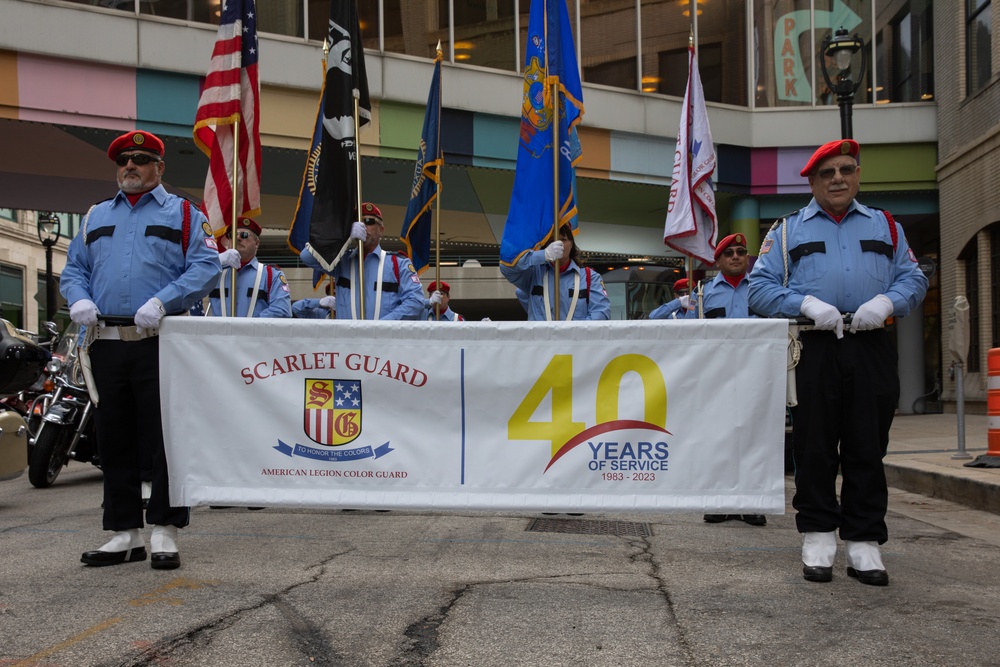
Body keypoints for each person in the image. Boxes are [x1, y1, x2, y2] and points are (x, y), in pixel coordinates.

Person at [748, 139, 927, 586]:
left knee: (868, 444)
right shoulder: (787, 230)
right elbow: (758, 289)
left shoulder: (887, 226)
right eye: (827, 173)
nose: (838, 179)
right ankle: (818, 533)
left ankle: (865, 541)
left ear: (858, 175)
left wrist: (889, 300)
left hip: (870, 343)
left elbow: (914, 276)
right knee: (814, 443)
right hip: (815, 345)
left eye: (846, 169)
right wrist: (805, 303)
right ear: (811, 181)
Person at [60, 130, 221, 570]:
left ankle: (165, 529)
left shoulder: (184, 214)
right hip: (107, 343)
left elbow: (207, 267)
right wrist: (77, 297)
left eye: (140, 158)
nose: (130, 166)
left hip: (160, 341)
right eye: (124, 160)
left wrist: (163, 301)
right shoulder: (94, 216)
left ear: (159, 167)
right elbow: (75, 267)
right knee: (114, 439)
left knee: (164, 438)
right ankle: (125, 533)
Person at [696, 233, 766, 527]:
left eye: (741, 252)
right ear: (719, 260)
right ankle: (719, 500)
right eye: (729, 253)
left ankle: (751, 502)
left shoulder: (763, 290)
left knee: (754, 438)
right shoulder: (705, 294)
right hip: (719, 375)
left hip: (757, 372)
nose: (736, 257)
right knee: (718, 437)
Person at [299, 203, 424, 320]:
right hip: (348, 340)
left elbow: (415, 301)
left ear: (381, 230)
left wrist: (384, 325)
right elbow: (306, 256)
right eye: (357, 222)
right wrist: (342, 236)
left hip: (382, 338)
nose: (363, 226)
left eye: (369, 221)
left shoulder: (398, 264)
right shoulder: (342, 261)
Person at [500, 224, 611, 321]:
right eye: (552, 241)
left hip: (574, 342)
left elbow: (601, 314)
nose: (558, 245)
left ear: (571, 243)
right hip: (542, 343)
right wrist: (543, 255)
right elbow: (507, 268)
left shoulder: (590, 277)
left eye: (563, 239)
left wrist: (573, 334)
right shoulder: (534, 273)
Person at [206, 217, 292, 319]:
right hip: (220, 334)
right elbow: (191, 285)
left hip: (254, 334)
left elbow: (282, 310)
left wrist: (247, 328)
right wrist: (214, 261)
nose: (237, 238)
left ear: (256, 243)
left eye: (244, 235)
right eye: (232, 235)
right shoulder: (216, 271)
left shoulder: (271, 274)